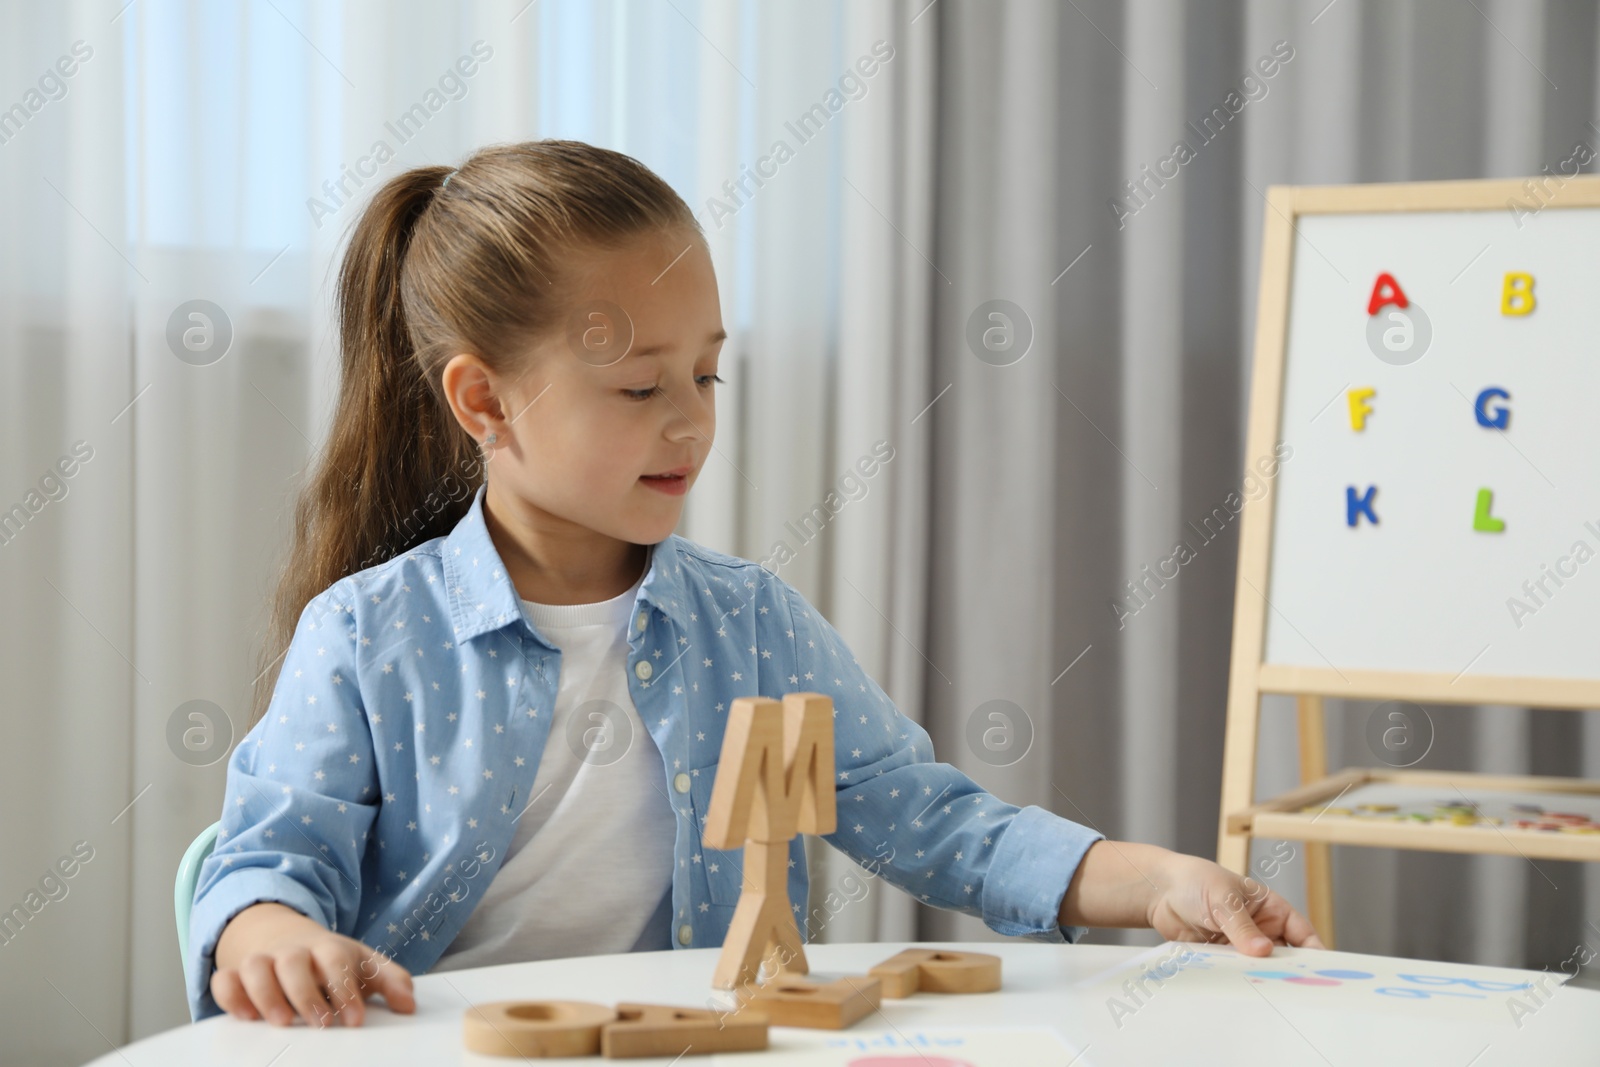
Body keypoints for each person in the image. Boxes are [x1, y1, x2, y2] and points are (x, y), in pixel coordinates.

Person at [187, 139, 1322, 1028]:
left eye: (707, 371)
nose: (690, 419)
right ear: (482, 401)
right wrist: (271, 932)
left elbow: (937, 824)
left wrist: (1158, 878)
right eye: (638, 388)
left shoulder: (749, 622)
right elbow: (267, 863)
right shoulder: (370, 632)